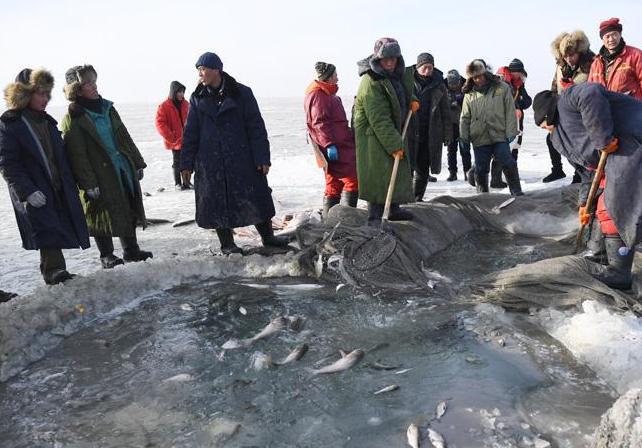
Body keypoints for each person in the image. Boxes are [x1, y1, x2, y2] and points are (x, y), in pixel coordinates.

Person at [533, 83, 641, 290]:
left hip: (631, 141)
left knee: (614, 204)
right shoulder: (558, 139)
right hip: (613, 157)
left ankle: (620, 272)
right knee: (599, 203)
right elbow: (586, 172)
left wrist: (603, 139)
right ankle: (600, 255)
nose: (543, 128)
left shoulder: (567, 99)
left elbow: (591, 92)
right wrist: (584, 204)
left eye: (542, 123)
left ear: (547, 114)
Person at [180, 52, 288, 254]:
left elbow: (256, 127)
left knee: (256, 196)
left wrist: (262, 157)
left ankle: (268, 237)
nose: (200, 74)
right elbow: (190, 133)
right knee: (217, 201)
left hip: (241, 157)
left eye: (203, 69)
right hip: (210, 161)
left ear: (216, 70)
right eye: (198, 70)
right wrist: (185, 164)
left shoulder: (242, 93)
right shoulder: (197, 98)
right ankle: (227, 244)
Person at [0, 68, 89, 285]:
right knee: (45, 227)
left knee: (57, 225)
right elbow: (8, 163)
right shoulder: (11, 124)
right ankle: (53, 271)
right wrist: (27, 191)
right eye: (40, 94)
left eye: (47, 94)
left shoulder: (48, 122)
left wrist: (80, 181)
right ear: (24, 94)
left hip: (56, 183)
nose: (45, 99)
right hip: (34, 187)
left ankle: (58, 271)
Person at [61, 65, 152, 269]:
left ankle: (131, 250)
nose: (94, 86)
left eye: (94, 81)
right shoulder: (74, 118)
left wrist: (136, 162)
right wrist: (88, 183)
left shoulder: (108, 108)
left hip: (121, 168)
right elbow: (77, 155)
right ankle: (107, 255)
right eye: (88, 83)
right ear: (77, 90)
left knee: (127, 206)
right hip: (98, 174)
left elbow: (124, 136)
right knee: (100, 212)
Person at [353, 37, 418, 225]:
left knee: (392, 171)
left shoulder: (395, 74)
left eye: (393, 58)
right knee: (377, 172)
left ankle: (393, 208)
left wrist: (412, 99)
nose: (390, 62)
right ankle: (374, 216)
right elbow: (379, 118)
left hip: (392, 129)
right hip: (373, 136)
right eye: (385, 59)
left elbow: (400, 92)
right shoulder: (371, 81)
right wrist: (394, 144)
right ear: (378, 59)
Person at [460, 59, 522, 196]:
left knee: (508, 162)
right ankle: (483, 195)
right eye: (474, 77)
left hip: (499, 135)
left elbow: (510, 111)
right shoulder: (469, 94)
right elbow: (465, 118)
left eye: (480, 76)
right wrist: (464, 137)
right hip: (479, 137)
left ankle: (516, 192)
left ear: (485, 74)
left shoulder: (502, 87)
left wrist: (511, 132)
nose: (478, 80)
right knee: (481, 168)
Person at [304, 62, 358, 219]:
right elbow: (318, 122)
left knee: (333, 182)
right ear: (328, 77)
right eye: (335, 75)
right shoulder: (318, 96)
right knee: (352, 180)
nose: (337, 78)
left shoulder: (328, 94)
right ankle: (346, 220)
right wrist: (329, 144)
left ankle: (330, 220)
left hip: (341, 144)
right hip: (336, 147)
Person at [543, 30, 595, 183]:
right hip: (564, 111)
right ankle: (557, 170)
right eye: (565, 56)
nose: (569, 59)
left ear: (579, 52)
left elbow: (597, 89)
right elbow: (554, 90)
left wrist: (573, 89)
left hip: (584, 114)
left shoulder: (592, 65)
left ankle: (581, 174)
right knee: (552, 139)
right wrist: (550, 115)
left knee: (580, 144)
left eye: (572, 55)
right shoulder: (560, 66)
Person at [407, 53, 452, 201]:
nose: (427, 71)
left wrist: (447, 134)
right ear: (418, 67)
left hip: (430, 133)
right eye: (424, 67)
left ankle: (417, 197)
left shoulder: (439, 84)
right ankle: (405, 197)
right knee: (407, 167)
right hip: (409, 131)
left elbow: (445, 111)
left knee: (423, 167)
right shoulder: (407, 81)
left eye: (430, 68)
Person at [491, 59, 531, 189]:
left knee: (513, 149)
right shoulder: (501, 81)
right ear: (514, 72)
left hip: (515, 121)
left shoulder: (518, 84)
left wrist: (519, 104)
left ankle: (512, 176)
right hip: (502, 121)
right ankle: (495, 179)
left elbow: (527, 101)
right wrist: (515, 107)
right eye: (519, 73)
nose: (520, 75)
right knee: (500, 149)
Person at [588, 17, 642, 100]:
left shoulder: (636, 55)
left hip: (631, 106)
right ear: (602, 39)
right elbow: (590, 90)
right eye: (607, 36)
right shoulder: (596, 63)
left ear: (620, 35)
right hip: (604, 107)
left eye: (614, 34)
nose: (611, 39)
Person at [155, 81, 191, 190]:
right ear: (173, 92)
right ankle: (177, 183)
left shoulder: (186, 104)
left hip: (187, 138)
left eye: (183, 92)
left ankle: (187, 182)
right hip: (175, 140)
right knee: (177, 162)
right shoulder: (164, 106)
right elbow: (159, 123)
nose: (181, 94)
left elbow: (193, 119)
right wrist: (171, 136)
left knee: (187, 161)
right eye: (179, 92)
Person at [444, 69, 471, 182]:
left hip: (463, 123)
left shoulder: (467, 87)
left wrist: (459, 101)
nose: (454, 87)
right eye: (452, 85)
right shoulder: (443, 87)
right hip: (450, 125)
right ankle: (452, 173)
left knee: (465, 149)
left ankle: (467, 172)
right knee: (451, 150)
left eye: (456, 84)